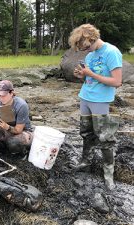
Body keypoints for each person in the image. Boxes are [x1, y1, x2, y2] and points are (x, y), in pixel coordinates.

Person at [68, 24, 122, 190]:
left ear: (90, 38)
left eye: (83, 46)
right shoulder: (91, 55)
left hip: (100, 100)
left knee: (105, 137)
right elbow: (89, 80)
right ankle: (85, 161)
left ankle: (108, 174)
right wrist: (82, 76)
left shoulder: (111, 52)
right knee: (86, 132)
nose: (84, 50)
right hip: (85, 97)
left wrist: (91, 74)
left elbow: (117, 82)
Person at [0, 80, 33, 157]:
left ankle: (21, 154)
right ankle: (5, 153)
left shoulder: (21, 105)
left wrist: (6, 126)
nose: (1, 98)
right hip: (6, 129)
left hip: (24, 131)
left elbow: (19, 130)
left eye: (3, 95)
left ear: (11, 93)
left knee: (13, 143)